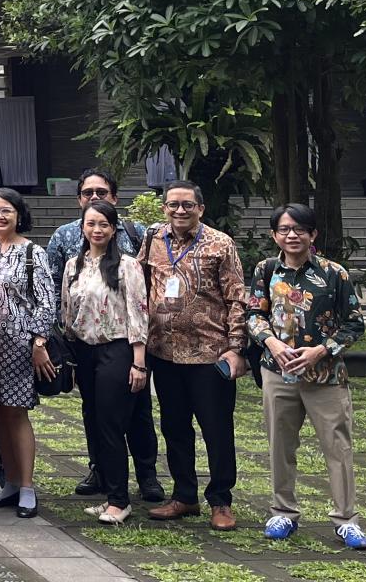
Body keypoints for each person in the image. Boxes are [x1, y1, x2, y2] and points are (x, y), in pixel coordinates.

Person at [247, 204, 366, 549]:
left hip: (326, 376)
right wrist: (271, 343)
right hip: (278, 372)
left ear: (312, 235)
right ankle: (283, 511)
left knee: (337, 446)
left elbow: (354, 323)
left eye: (299, 229)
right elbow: (254, 314)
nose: (292, 235)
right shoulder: (266, 270)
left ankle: (346, 519)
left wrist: (321, 350)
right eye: (284, 230)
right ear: (275, 235)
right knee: (280, 444)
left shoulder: (334, 274)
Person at [43, 169, 162, 503]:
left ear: (114, 197)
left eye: (101, 192)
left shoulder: (132, 240)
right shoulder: (66, 246)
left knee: (133, 415)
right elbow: (58, 292)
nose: (94, 199)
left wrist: (139, 359)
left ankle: (143, 477)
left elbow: (140, 303)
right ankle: (102, 473)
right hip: (84, 346)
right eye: (87, 193)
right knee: (95, 414)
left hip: (123, 344)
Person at [138, 180, 247, 531]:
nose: (180, 211)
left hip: (209, 353)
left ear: (201, 208)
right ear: (164, 208)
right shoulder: (154, 239)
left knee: (216, 429)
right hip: (164, 352)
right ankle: (184, 495)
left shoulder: (220, 243)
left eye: (187, 205)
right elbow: (140, 283)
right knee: (174, 427)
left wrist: (235, 348)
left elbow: (236, 298)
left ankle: (221, 500)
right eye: (173, 204)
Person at [0, 188, 54, 518]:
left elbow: (46, 302)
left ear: (19, 214)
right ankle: (10, 483)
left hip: (19, 344)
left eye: (7, 211)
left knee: (16, 413)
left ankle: (27, 486)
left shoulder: (33, 252)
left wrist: (39, 343)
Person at [61, 201, 150, 525]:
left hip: (118, 349)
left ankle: (119, 501)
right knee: (95, 423)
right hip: (84, 351)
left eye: (103, 224)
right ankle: (110, 492)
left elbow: (138, 312)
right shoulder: (74, 265)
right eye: (91, 223)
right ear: (83, 227)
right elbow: (67, 313)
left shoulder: (127, 265)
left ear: (113, 229)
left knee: (112, 425)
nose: (96, 230)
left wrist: (139, 362)